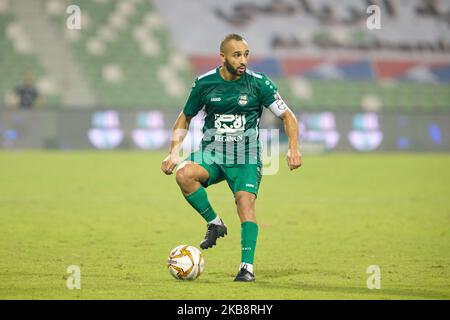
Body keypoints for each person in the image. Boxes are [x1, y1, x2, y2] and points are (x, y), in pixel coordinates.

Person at [161, 34, 302, 282]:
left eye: (246, 54)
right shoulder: (204, 83)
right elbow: (185, 117)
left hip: (246, 157)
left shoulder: (259, 84)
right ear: (223, 56)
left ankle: (246, 267)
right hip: (212, 154)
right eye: (237, 55)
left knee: (244, 203)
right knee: (184, 175)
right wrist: (173, 151)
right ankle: (214, 223)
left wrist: (293, 147)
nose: (243, 60)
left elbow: (288, 116)